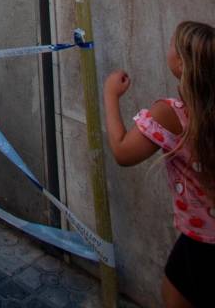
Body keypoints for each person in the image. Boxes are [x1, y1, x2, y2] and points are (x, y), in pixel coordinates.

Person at [103, 21, 215, 308]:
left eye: (171, 46)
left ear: (180, 63)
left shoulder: (171, 114)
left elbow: (122, 152)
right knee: (173, 292)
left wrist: (110, 95)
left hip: (203, 240)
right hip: (200, 233)